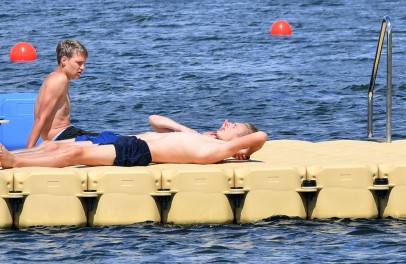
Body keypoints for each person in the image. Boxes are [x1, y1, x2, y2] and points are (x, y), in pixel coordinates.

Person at [1, 122, 267, 169]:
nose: (228, 123)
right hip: (134, 143)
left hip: (140, 152)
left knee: (75, 153)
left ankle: (15, 162)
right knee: (61, 148)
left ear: (240, 146)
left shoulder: (218, 151)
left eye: (235, 128)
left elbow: (261, 136)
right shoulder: (207, 141)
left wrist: (245, 151)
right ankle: (12, 155)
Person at [26, 39, 96, 148]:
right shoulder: (59, 79)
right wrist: (28, 151)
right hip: (60, 137)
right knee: (112, 142)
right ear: (64, 60)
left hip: (65, 134)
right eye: (79, 63)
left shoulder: (59, 78)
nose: (83, 68)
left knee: (110, 139)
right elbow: (40, 118)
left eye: (84, 63)